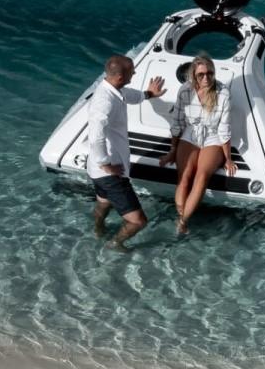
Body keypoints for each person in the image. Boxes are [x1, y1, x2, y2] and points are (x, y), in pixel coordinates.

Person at [84, 55, 167, 250]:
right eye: (132, 71)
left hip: (97, 171)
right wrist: (106, 164)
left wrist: (148, 94)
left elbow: (128, 95)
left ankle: (98, 229)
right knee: (138, 221)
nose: (135, 73)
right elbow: (96, 136)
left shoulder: (111, 89)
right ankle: (115, 244)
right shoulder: (104, 102)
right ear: (120, 77)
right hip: (111, 173)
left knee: (104, 203)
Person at [164, 53, 234, 235]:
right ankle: (182, 216)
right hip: (190, 133)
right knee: (184, 175)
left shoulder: (223, 93)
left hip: (212, 137)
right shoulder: (185, 90)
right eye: (201, 75)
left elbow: (223, 130)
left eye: (210, 73)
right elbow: (177, 122)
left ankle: (182, 221)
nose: (206, 78)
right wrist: (173, 149)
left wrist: (228, 159)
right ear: (193, 76)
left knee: (201, 176)